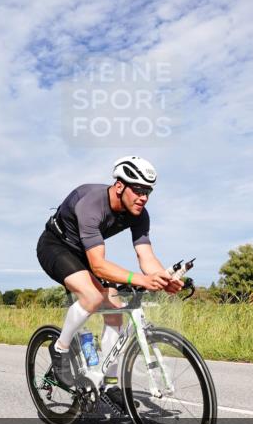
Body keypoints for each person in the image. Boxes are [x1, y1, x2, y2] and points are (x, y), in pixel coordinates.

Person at [36, 156, 183, 409]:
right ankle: (59, 349)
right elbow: (98, 265)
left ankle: (111, 384)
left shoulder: (139, 214)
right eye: (137, 189)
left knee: (115, 310)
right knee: (92, 297)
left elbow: (145, 256)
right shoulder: (91, 204)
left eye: (147, 191)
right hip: (56, 247)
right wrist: (140, 279)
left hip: (83, 252)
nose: (143, 197)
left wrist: (163, 278)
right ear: (119, 186)